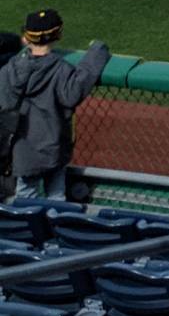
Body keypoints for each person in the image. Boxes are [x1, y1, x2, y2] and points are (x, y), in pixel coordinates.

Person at [0, 10, 110, 199]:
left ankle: (28, 228)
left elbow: (5, 102)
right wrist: (97, 52)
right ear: (57, 35)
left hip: (22, 148)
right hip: (54, 145)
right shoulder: (61, 69)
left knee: (25, 196)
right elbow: (74, 92)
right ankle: (53, 228)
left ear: (27, 37)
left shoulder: (10, 69)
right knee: (57, 196)